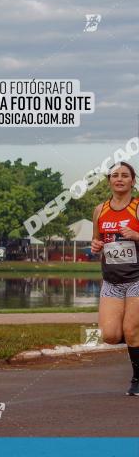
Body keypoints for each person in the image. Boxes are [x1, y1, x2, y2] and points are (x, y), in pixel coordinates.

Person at [90, 161, 139, 395]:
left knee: (131, 330)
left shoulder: (137, 207)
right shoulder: (100, 209)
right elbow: (96, 241)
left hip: (137, 278)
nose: (119, 179)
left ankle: (137, 379)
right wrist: (96, 245)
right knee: (110, 335)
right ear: (109, 180)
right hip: (112, 280)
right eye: (114, 175)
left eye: (125, 175)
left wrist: (136, 235)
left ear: (133, 180)